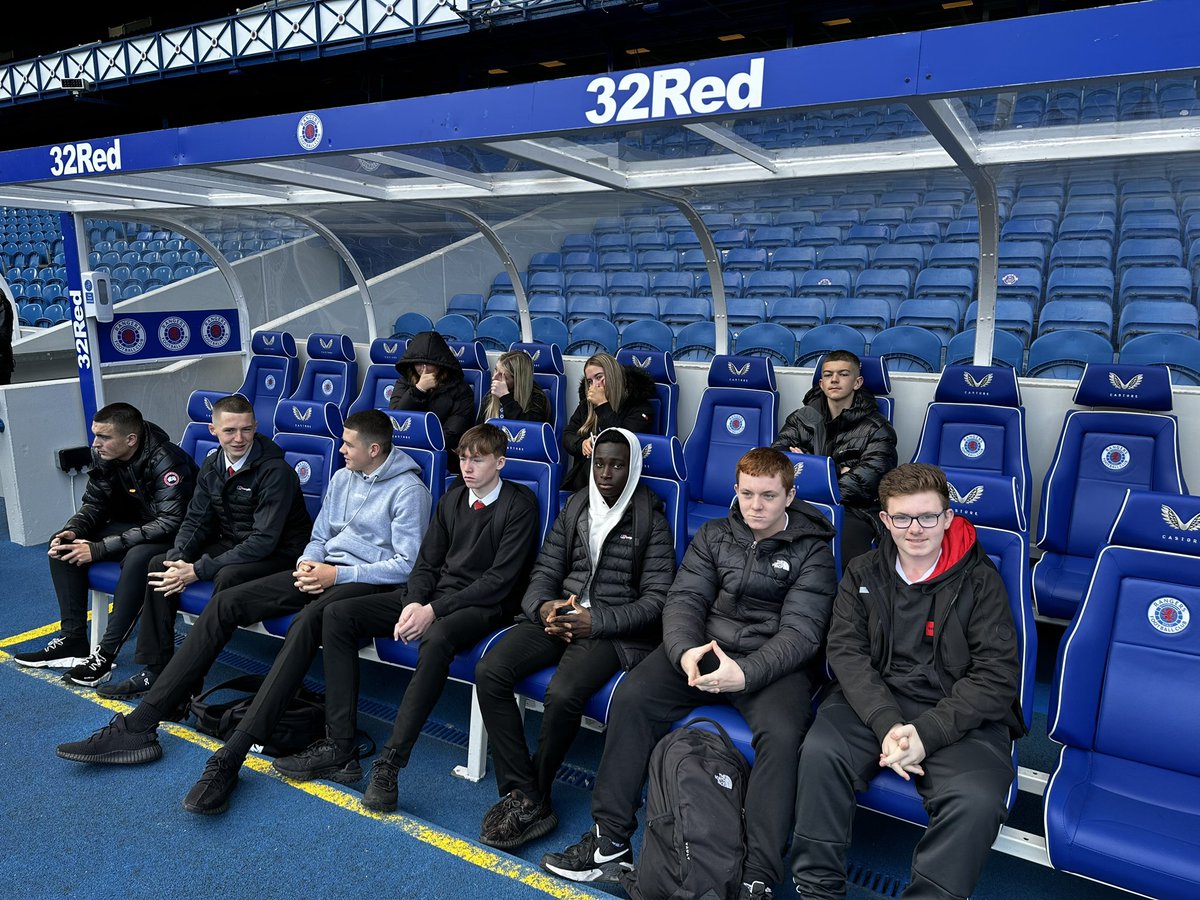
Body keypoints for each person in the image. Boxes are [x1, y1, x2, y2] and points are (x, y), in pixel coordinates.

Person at [542, 447, 837, 900]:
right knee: (634, 698)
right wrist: (683, 652)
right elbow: (684, 601)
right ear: (735, 492)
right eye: (747, 494)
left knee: (782, 735)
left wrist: (746, 673)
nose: (755, 505)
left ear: (790, 496)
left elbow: (802, 634)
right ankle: (610, 842)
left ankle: (756, 875)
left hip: (771, 668)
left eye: (768, 496)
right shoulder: (715, 534)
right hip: (704, 650)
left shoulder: (813, 552)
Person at [163, 409, 431, 814]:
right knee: (230, 600)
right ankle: (165, 698)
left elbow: (406, 564)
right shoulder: (343, 477)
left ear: (374, 449)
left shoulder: (410, 491)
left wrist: (335, 575)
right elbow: (320, 534)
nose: (339, 449)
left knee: (310, 622)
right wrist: (308, 564)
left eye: (348, 444)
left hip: (370, 582)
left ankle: (239, 751)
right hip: (324, 571)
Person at [269, 423, 540, 814]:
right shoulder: (451, 498)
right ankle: (341, 747)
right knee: (339, 614)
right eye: (463, 457)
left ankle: (390, 764)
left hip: (484, 607)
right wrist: (414, 602)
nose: (467, 466)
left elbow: (499, 582)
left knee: (437, 638)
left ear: (499, 462)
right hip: (435, 599)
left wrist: (431, 611)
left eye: (477, 459)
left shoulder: (519, 504)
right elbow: (426, 563)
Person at [790, 463, 1024, 900]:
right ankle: (818, 889)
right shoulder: (862, 572)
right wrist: (888, 725)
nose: (915, 529)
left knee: (977, 798)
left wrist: (926, 733)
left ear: (948, 517)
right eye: (902, 518)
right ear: (885, 520)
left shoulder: (981, 581)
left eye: (927, 517)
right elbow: (847, 653)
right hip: (876, 699)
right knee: (821, 751)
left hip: (954, 710)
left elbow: (996, 676)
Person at [56, 394, 312, 763]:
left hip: (277, 554)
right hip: (232, 542)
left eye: (245, 430)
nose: (238, 438)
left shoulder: (276, 472)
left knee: (228, 574)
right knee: (160, 564)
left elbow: (263, 541)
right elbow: (195, 521)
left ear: (256, 428)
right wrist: (179, 559)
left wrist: (198, 570)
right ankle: (157, 670)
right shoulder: (212, 464)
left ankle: (183, 688)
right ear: (214, 431)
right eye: (229, 430)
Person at [475, 427, 675, 850]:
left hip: (611, 631)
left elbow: (657, 602)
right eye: (599, 463)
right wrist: (543, 607)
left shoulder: (651, 523)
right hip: (561, 616)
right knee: (491, 670)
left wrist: (595, 620)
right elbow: (543, 572)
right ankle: (525, 791)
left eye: (617, 465)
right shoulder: (574, 509)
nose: (605, 473)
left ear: (633, 468)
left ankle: (538, 791)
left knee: (564, 693)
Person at [15, 403, 197, 687]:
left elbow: (172, 521)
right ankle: (73, 639)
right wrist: (73, 531)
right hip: (140, 525)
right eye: (95, 435)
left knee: (138, 559)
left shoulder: (166, 460)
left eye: (104, 437)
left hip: (178, 534)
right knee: (61, 544)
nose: (96, 443)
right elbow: (95, 503)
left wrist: (99, 548)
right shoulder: (105, 455)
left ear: (131, 440)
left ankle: (105, 654)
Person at [772, 350, 897, 563]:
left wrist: (810, 466)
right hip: (798, 500)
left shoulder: (878, 429)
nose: (835, 380)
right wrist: (838, 470)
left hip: (855, 510)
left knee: (844, 541)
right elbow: (775, 460)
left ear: (857, 382)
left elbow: (866, 484)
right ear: (821, 383)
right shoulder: (800, 419)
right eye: (828, 375)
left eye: (843, 374)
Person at [561, 352, 656, 492]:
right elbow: (567, 435)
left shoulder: (640, 408)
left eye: (599, 377)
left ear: (613, 375)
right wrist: (581, 444)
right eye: (590, 381)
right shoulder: (586, 406)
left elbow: (620, 441)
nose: (595, 385)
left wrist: (602, 406)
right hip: (585, 480)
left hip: (619, 483)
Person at [389, 330, 476, 469]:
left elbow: (452, 435)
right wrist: (419, 390)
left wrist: (418, 441)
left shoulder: (460, 390)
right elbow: (396, 417)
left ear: (440, 364)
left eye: (428, 363)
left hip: (441, 455)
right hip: (402, 449)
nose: (423, 369)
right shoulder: (405, 381)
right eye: (417, 363)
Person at [478, 348, 552, 425]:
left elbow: (528, 428)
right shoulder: (490, 396)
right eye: (496, 370)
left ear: (518, 380)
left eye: (503, 376)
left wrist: (505, 398)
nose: (494, 378)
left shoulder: (538, 400)